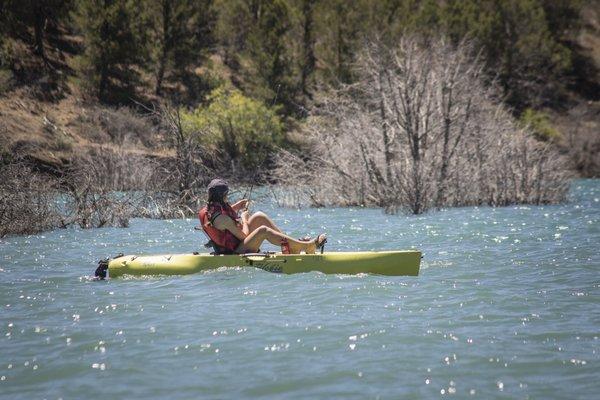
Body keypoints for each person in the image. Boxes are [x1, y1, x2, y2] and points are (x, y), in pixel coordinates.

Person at [198, 178, 326, 254]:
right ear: (222, 196)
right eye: (226, 194)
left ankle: (292, 246)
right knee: (263, 231)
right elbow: (244, 236)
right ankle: (307, 247)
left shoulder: (210, 209)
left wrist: (237, 206)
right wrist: (244, 218)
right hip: (234, 251)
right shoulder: (222, 220)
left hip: (236, 243)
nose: (227, 196)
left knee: (259, 216)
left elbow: (223, 215)